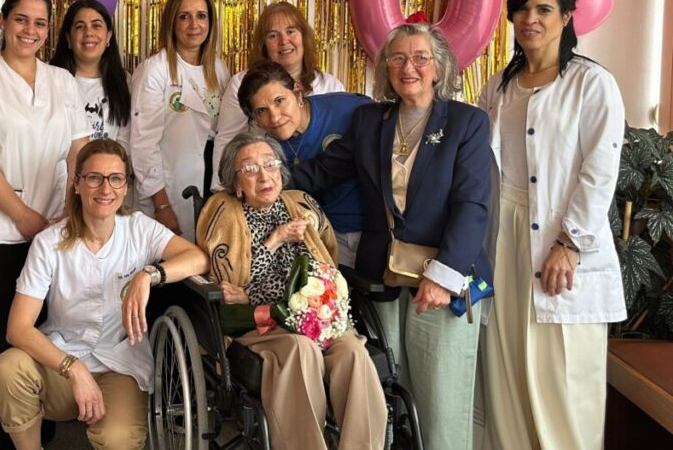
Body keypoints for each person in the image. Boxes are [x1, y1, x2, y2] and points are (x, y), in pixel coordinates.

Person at [290, 22, 491, 450]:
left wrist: (445, 274)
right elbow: (323, 171)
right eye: (398, 58)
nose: (409, 67)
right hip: (380, 276)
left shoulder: (466, 122)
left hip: (442, 281)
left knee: (441, 404)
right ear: (386, 68)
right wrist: (262, 177)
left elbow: (472, 205)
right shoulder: (370, 120)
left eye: (420, 57)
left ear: (438, 68)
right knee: (388, 397)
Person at [479, 0, 626, 450]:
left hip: (562, 234)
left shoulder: (591, 82)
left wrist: (569, 243)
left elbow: (599, 169)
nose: (530, 19)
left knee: (563, 376)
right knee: (508, 368)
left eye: (543, 9)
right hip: (505, 232)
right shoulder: (498, 87)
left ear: (566, 16)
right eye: (522, 9)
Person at [0, 138, 209, 450]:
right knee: (8, 369)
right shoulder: (49, 242)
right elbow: (18, 328)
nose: (105, 189)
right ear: (77, 183)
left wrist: (149, 274)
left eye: (115, 178)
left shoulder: (139, 228)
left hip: (119, 365)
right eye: (94, 178)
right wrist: (73, 369)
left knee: (118, 439)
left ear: (125, 186)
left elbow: (198, 257)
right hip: (61, 360)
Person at [0, 0, 90, 445]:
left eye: (40, 22)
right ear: (3, 22)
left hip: (51, 232)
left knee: (38, 337)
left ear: (50, 31)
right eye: (21, 19)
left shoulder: (62, 82)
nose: (30, 30)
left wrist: (70, 214)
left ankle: (33, 435)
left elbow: (78, 153)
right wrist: (25, 216)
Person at [197, 131, 387, 450]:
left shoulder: (301, 202)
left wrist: (321, 295)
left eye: (270, 164)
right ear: (236, 183)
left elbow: (328, 260)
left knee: (353, 353)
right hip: (262, 326)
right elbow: (232, 288)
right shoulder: (222, 212)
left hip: (318, 319)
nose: (264, 175)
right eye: (250, 168)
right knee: (301, 349)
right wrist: (273, 242)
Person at [237, 61, 369, 266]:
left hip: (373, 232)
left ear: (298, 94)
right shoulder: (266, 150)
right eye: (262, 111)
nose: (275, 117)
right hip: (321, 238)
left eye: (280, 101)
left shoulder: (350, 109)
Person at [130, 0, 229, 238]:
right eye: (184, 16)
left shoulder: (218, 70)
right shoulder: (155, 71)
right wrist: (161, 204)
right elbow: (143, 146)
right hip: (167, 192)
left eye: (201, 16)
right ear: (172, 23)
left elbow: (223, 132)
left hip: (209, 186)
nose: (194, 24)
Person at [212, 1, 345, 176]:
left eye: (291, 31)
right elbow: (227, 141)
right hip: (264, 184)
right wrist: (222, 191)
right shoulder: (240, 83)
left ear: (303, 37)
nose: (284, 41)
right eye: (273, 35)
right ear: (264, 45)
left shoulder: (331, 85)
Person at [50, 0, 131, 152]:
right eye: (80, 26)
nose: (89, 33)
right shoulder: (48, 76)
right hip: (58, 173)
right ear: (68, 38)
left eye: (96, 25)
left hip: (107, 172)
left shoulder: (125, 81)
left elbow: (125, 141)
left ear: (108, 37)